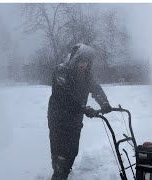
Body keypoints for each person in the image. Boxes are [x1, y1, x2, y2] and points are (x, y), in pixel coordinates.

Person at [47, 43, 112, 180]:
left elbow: (96, 89)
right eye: (81, 61)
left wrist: (104, 103)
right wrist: (83, 108)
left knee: (72, 151)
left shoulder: (86, 76)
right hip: (58, 119)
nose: (84, 65)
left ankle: (64, 172)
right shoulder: (61, 72)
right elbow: (63, 97)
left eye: (87, 62)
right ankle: (59, 175)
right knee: (60, 154)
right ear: (75, 59)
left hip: (75, 119)